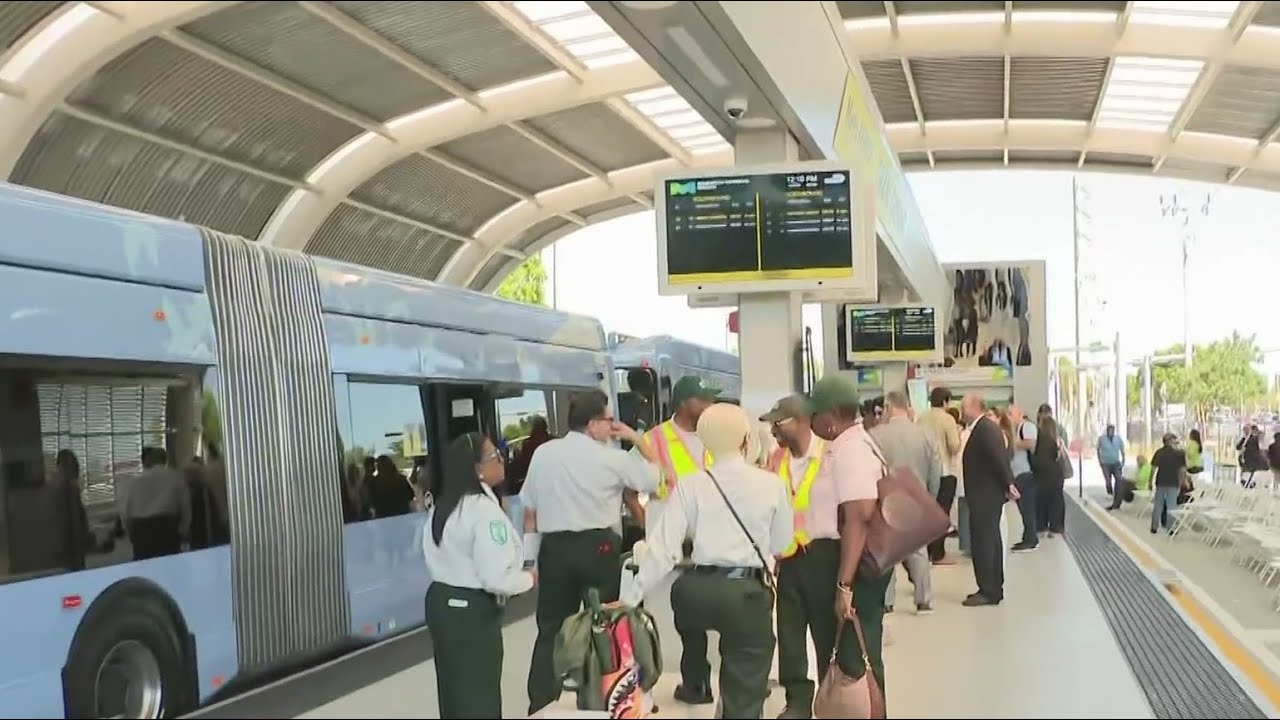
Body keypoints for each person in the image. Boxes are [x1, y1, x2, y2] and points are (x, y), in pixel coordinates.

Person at [623, 403, 791, 719]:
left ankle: (696, 679)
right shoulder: (771, 484)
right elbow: (781, 544)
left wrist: (628, 599)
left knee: (692, 627)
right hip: (744, 593)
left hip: (694, 593)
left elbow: (663, 550)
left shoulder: (690, 484)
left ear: (704, 441)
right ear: (746, 440)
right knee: (746, 667)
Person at [521, 389, 661, 715]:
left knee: (550, 628)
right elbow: (656, 478)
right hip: (599, 548)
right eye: (609, 420)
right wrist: (636, 438)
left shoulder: (543, 454)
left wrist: (530, 560)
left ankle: (541, 702)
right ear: (593, 423)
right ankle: (606, 698)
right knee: (605, 624)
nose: (613, 427)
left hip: (554, 550)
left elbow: (530, 514)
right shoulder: (614, 458)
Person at [423, 433, 535, 718]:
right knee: (479, 694)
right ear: (477, 469)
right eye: (495, 456)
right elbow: (495, 578)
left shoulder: (441, 508)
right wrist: (530, 578)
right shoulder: (483, 512)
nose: (502, 460)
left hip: (441, 605)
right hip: (472, 613)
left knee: (454, 693)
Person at [806, 375, 894, 701]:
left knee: (855, 656)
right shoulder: (846, 445)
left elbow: (859, 518)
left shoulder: (852, 451)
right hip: (851, 560)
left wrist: (844, 586)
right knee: (854, 651)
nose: (811, 420)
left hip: (854, 565)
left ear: (831, 415)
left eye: (815, 413)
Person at [759, 394, 837, 719]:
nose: (773, 430)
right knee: (789, 632)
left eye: (779, 423)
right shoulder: (776, 459)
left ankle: (830, 698)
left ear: (803, 421)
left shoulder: (831, 455)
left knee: (825, 633)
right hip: (788, 558)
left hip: (823, 556)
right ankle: (797, 701)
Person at [870, 391, 941, 615]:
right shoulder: (925, 435)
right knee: (918, 549)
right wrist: (930, 496)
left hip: (886, 497)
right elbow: (936, 470)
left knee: (887, 549)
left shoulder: (875, 435)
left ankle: (887, 601)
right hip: (917, 497)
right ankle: (923, 600)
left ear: (888, 407)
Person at [959, 394, 1019, 607]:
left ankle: (988, 590)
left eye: (964, 406)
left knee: (984, 542)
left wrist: (1008, 483)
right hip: (985, 495)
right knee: (990, 540)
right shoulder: (983, 428)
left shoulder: (985, 429)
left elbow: (998, 458)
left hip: (984, 496)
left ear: (975, 407)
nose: (961, 410)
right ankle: (992, 588)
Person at [918, 387, 961, 565]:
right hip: (944, 470)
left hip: (925, 471)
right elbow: (954, 446)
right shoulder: (947, 419)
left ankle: (928, 551)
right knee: (943, 512)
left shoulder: (921, 418)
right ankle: (939, 554)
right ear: (945, 402)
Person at [1009, 406, 1039, 553]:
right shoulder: (1015, 430)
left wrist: (1011, 442)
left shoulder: (1027, 427)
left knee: (1027, 508)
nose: (1009, 417)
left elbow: (1031, 444)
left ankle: (1031, 539)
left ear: (1020, 414)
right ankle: (1027, 537)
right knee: (1023, 508)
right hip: (1017, 474)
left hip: (1025, 474)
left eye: (1011, 414)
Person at [1031, 409, 1066, 537]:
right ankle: (1056, 528)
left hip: (1042, 475)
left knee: (1041, 501)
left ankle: (1041, 527)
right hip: (1056, 474)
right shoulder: (1057, 440)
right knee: (1056, 501)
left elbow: (1036, 459)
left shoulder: (1039, 440)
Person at [1149, 433, 1186, 535]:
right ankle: (1170, 528)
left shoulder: (1159, 453)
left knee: (1158, 505)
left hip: (1160, 482)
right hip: (1173, 483)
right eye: (1174, 440)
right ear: (1170, 441)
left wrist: (1150, 481)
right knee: (1171, 506)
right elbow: (1182, 470)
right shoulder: (1179, 454)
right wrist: (1181, 483)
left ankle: (1154, 527)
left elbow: (1153, 468)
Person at [1096, 424, 1126, 496]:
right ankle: (1110, 492)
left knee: (1118, 478)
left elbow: (1122, 449)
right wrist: (1100, 460)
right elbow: (1098, 449)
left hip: (1116, 462)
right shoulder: (1101, 439)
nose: (1110, 432)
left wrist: (1123, 460)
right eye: (1109, 431)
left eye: (1112, 431)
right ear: (1107, 431)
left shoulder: (1118, 439)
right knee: (1108, 479)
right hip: (1105, 463)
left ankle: (1117, 492)